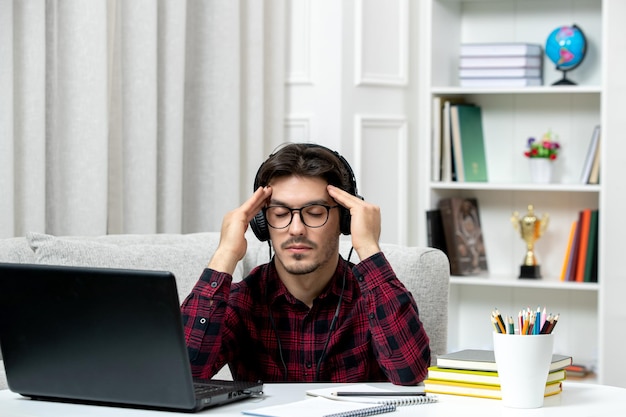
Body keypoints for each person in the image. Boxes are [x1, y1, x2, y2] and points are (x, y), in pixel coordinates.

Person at [181, 143, 430, 385]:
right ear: (262, 223)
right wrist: (225, 252)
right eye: (280, 214)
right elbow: (182, 377)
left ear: (344, 219)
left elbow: (411, 373)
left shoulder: (374, 298)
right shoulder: (242, 300)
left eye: (315, 213)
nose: (296, 229)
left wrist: (368, 248)